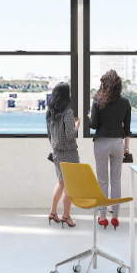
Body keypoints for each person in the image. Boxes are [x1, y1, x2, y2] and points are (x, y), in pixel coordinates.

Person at [87, 70, 132, 228]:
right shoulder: (125, 102)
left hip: (101, 143)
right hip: (118, 144)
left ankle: (103, 217)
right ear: (118, 85)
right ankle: (116, 217)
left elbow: (93, 126)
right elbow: (127, 130)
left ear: (104, 84)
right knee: (116, 180)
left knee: (102, 181)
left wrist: (89, 118)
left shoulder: (98, 101)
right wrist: (126, 148)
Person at [46, 80, 79, 227]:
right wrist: (76, 125)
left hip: (57, 152)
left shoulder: (50, 112)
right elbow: (71, 134)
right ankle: (66, 216)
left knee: (60, 183)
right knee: (70, 186)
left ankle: (53, 213)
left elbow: (49, 135)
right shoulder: (68, 112)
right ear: (67, 95)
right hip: (69, 152)